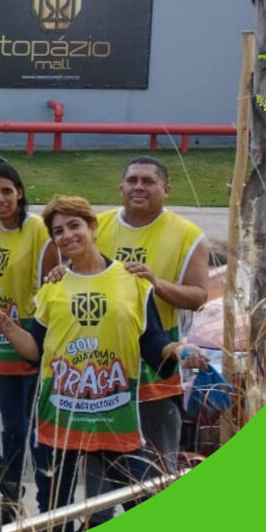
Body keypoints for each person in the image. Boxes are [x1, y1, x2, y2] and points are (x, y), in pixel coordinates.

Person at [0, 195, 207, 532]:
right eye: (58, 231)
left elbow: (152, 342)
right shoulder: (53, 286)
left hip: (117, 417)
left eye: (74, 226)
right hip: (59, 419)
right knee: (55, 512)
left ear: (93, 228)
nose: (67, 235)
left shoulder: (132, 281)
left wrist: (180, 349)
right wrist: (5, 325)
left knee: (138, 497)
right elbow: (35, 351)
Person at [96, 156, 209, 474]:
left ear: (166, 189)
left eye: (148, 181)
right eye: (132, 180)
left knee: (157, 460)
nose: (138, 187)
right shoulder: (97, 227)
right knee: (103, 455)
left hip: (156, 360)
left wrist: (156, 284)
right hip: (102, 359)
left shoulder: (187, 235)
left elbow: (199, 296)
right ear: (121, 187)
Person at [0, 156, 59, 498]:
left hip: (31, 336)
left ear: (20, 193)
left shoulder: (39, 231)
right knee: (12, 426)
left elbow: (53, 286)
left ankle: (46, 495)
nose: (0, 199)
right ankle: (9, 492)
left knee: (36, 425)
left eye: (7, 191)